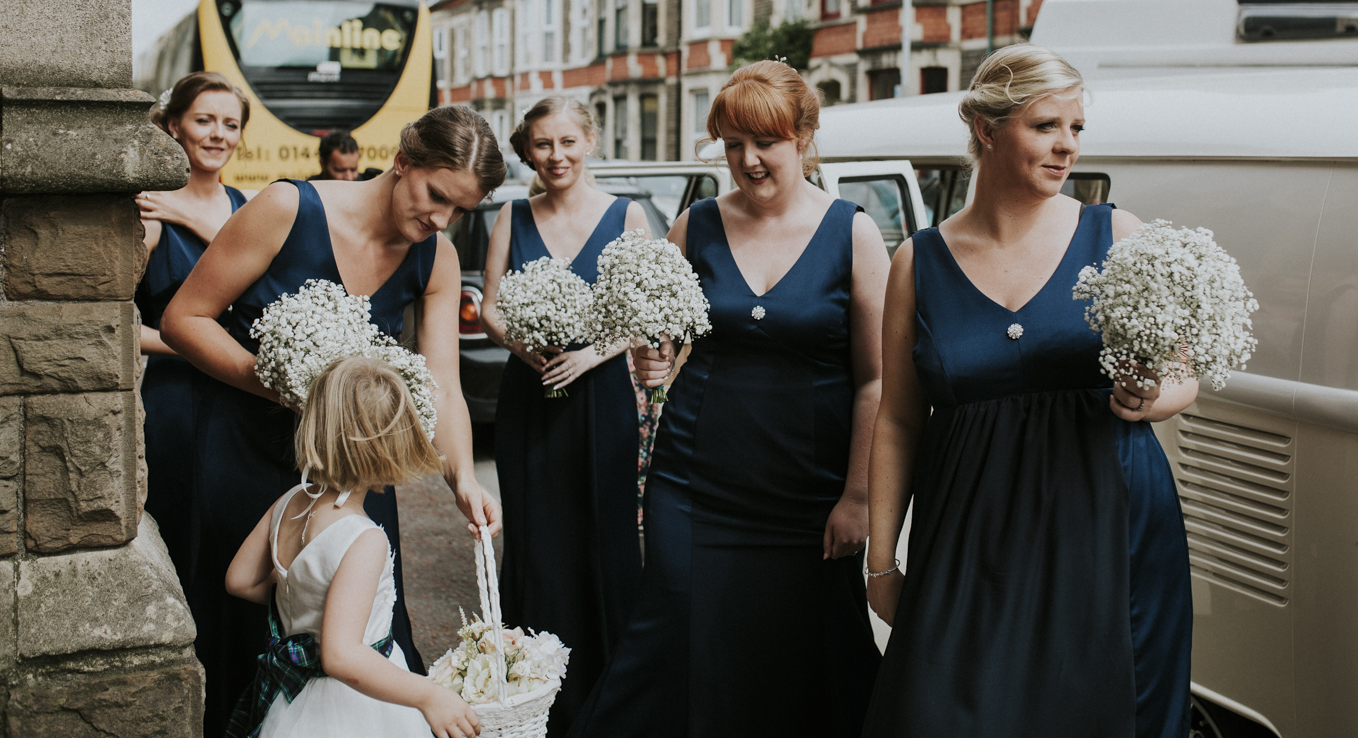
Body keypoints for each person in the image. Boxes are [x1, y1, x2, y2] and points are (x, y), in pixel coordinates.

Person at [862, 44, 1195, 737]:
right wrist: (881, 560)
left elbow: (1182, 372)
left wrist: (1153, 398)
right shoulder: (916, 262)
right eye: (1046, 126)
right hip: (967, 540)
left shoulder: (1117, 236)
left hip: (1109, 527)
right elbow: (897, 420)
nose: (1067, 146)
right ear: (987, 129)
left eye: (1076, 129)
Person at [161, 104, 506, 737]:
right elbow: (184, 320)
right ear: (402, 161)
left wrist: (462, 477)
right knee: (243, 635)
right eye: (435, 196)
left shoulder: (436, 258)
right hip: (248, 457)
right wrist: (273, 383)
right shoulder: (287, 209)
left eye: (458, 211)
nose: (439, 220)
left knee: (370, 638)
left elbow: (444, 388)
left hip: (355, 481)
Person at [571, 62, 887, 738]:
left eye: (764, 142)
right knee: (674, 634)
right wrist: (652, 359)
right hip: (695, 482)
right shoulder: (695, 225)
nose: (746, 160)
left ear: (802, 136)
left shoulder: (853, 234)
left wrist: (859, 497)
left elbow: (877, 379)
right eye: (732, 142)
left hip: (810, 494)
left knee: (802, 655)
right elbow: (668, 340)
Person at [478, 97, 648, 738]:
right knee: (539, 541)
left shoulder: (627, 215)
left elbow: (646, 305)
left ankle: (615, 692)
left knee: (604, 538)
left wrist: (593, 357)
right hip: (532, 398)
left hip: (601, 402)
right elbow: (490, 305)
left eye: (568, 142)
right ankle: (536, 696)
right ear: (530, 151)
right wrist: (525, 347)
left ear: (590, 141)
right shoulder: (512, 215)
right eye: (544, 145)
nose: (557, 157)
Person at [224, 356, 480, 738]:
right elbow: (341, 655)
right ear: (390, 446)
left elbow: (239, 581)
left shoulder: (289, 502)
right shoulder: (364, 539)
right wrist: (430, 696)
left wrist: (312, 607)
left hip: (294, 698)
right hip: (354, 707)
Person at [134, 72, 252, 592]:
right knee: (181, 528)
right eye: (204, 120)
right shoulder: (150, 211)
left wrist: (204, 225)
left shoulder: (250, 212)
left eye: (230, 124)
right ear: (175, 125)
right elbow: (113, 323)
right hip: (175, 400)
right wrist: (189, 346)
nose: (217, 134)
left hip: (241, 395)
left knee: (236, 531)